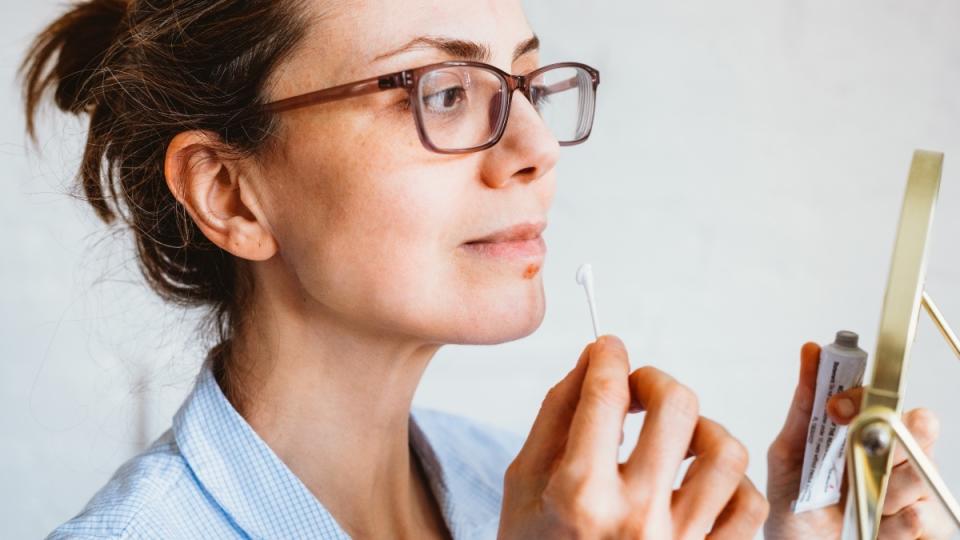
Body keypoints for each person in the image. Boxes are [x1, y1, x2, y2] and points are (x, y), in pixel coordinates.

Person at [22, 0, 952, 538]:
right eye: (444, 91)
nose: (538, 147)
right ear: (229, 193)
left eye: (528, 84)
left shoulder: (499, 479)